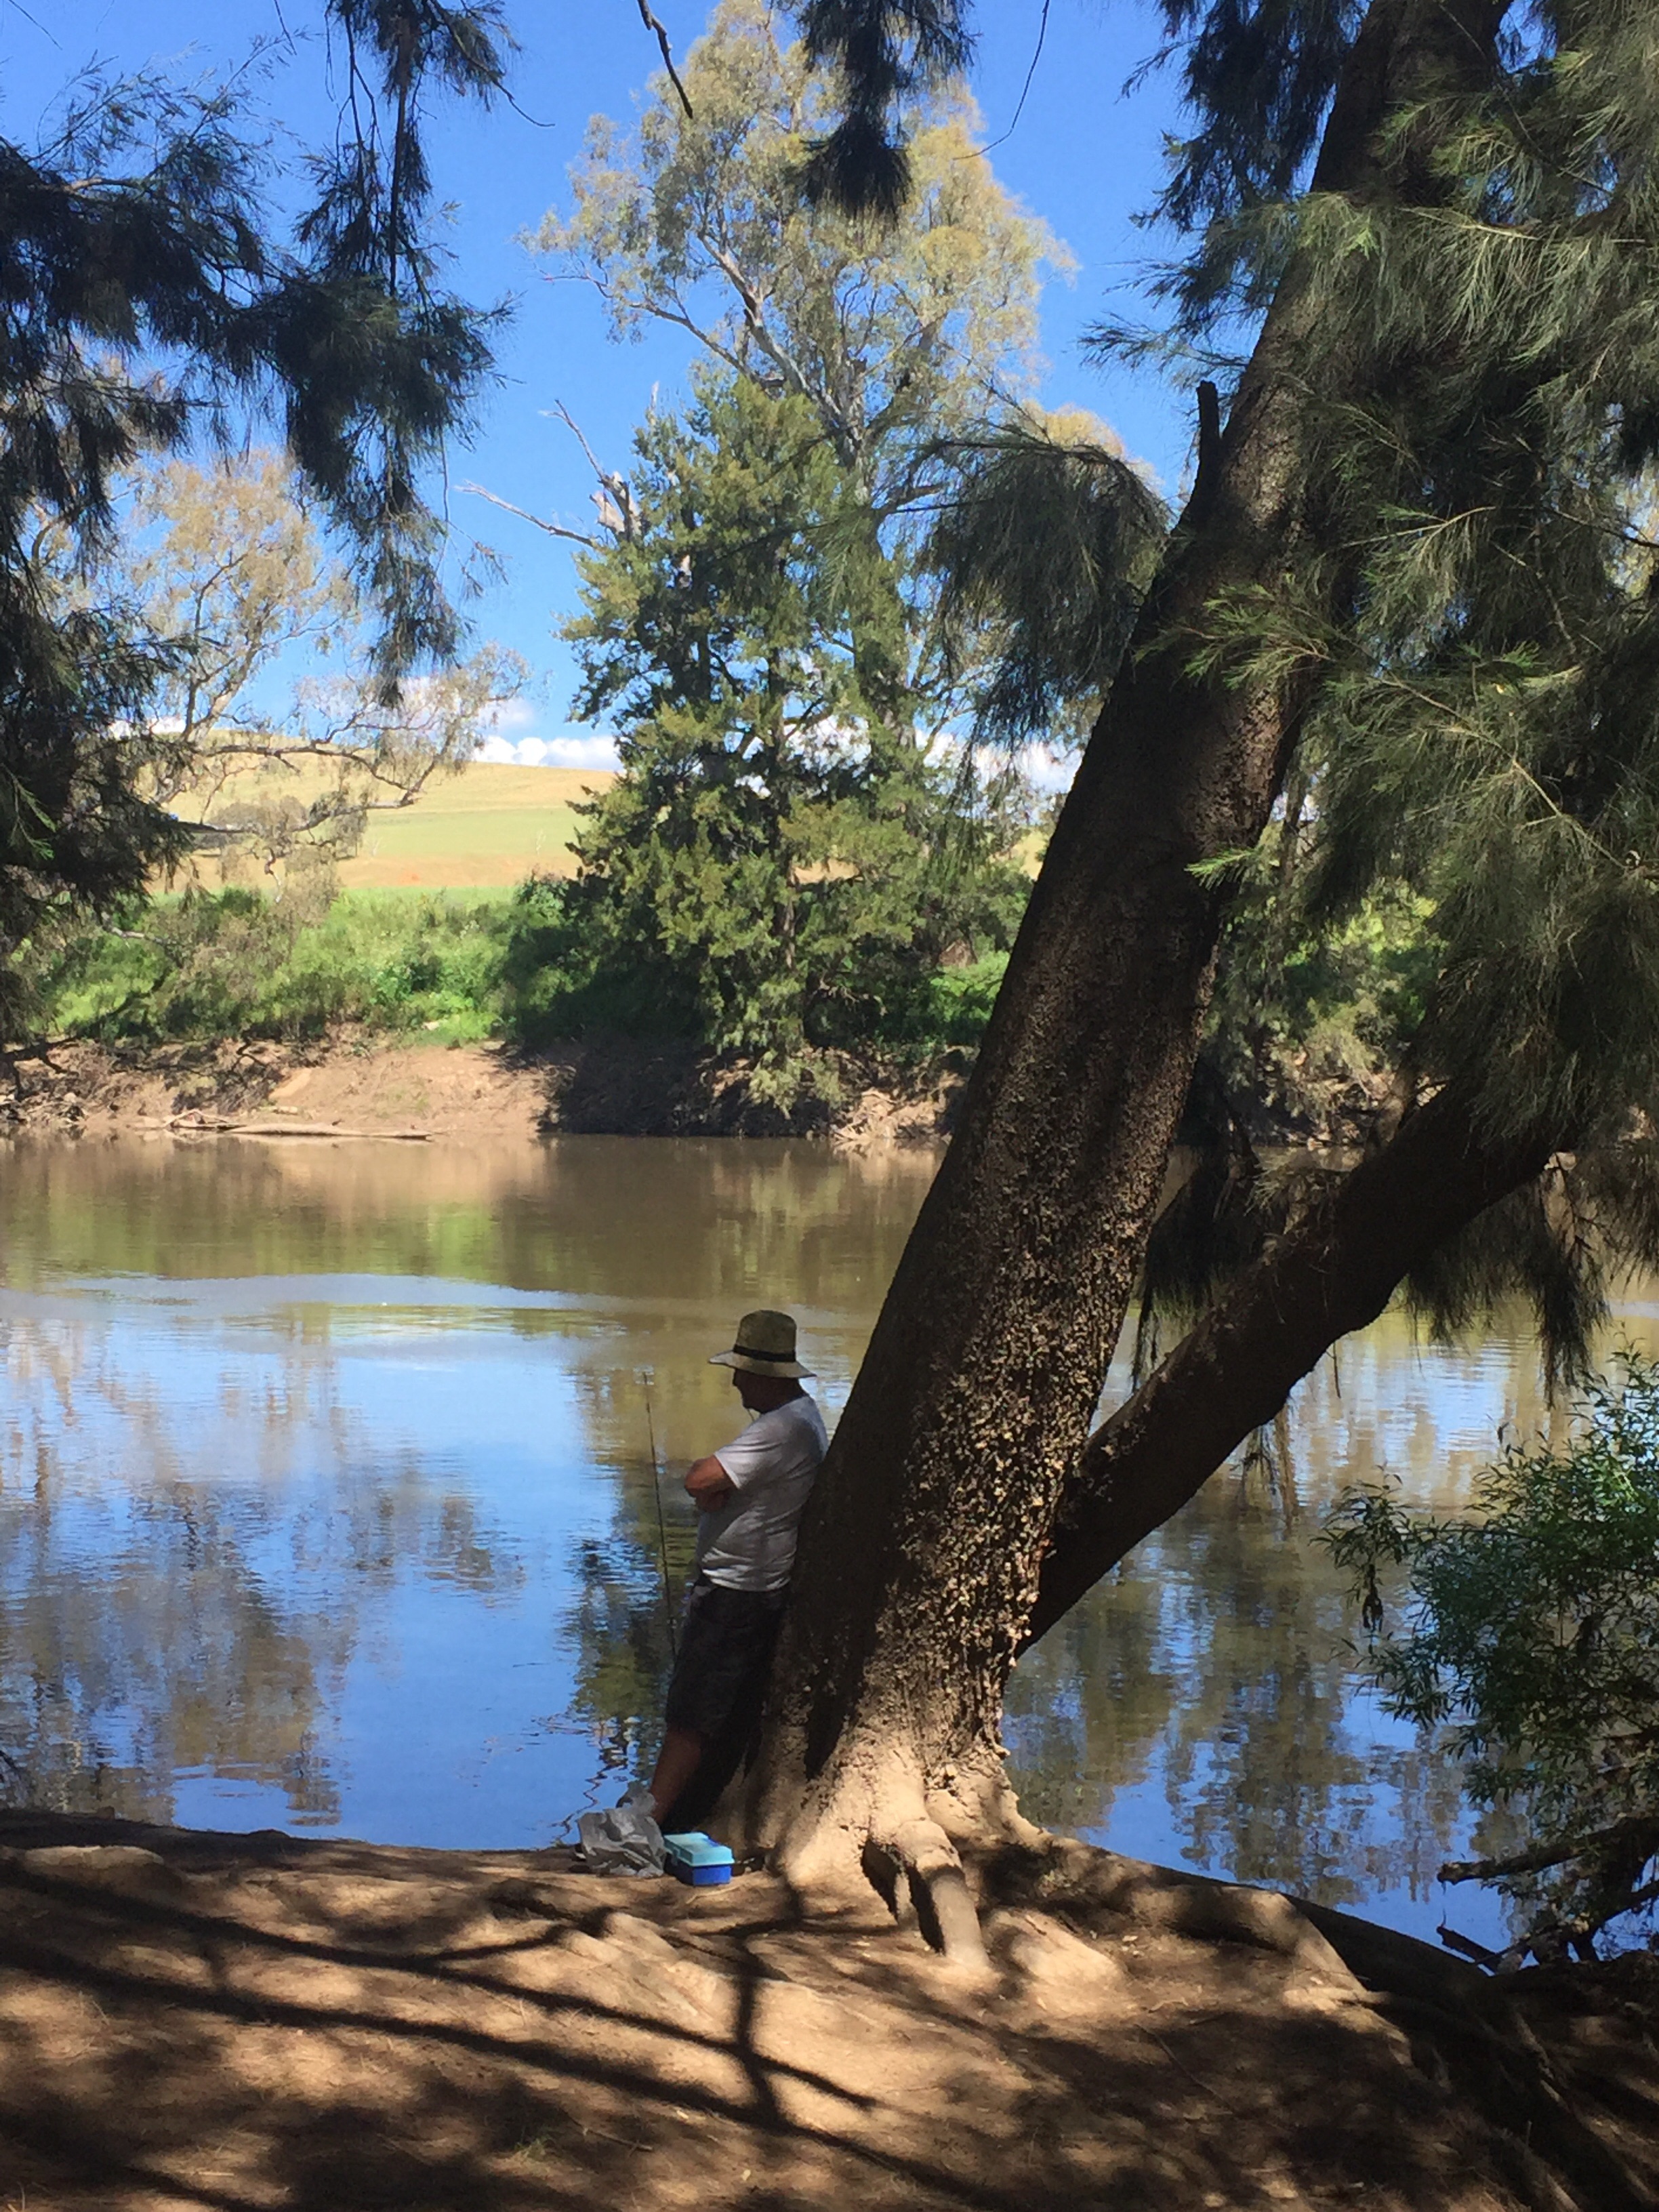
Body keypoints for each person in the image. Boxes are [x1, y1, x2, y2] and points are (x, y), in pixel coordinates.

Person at [640, 1308, 826, 1830]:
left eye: (741, 1371)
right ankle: (686, 1816)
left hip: (737, 1593)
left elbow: (700, 1479)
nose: (736, 1380)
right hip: (745, 1589)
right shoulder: (801, 1419)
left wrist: (712, 1490)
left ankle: (650, 1822)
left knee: (691, 1713)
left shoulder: (778, 1429)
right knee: (712, 1710)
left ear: (765, 1377)